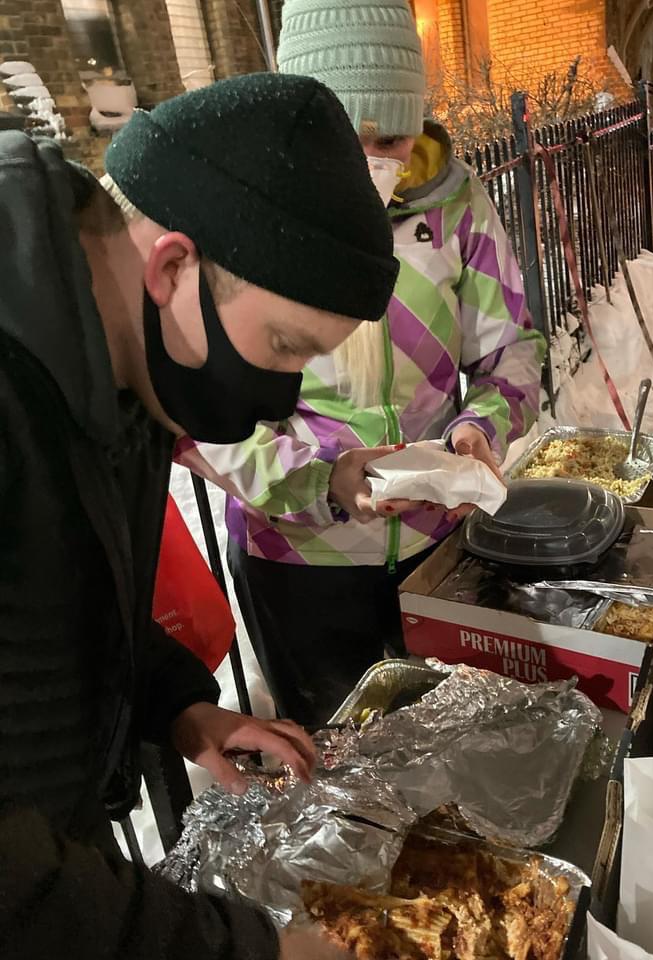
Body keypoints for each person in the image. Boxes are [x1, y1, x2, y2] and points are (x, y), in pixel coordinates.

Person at [0, 73, 398, 959]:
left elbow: (57, 612)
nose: (280, 397)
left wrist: (177, 702)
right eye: (284, 346)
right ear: (173, 267)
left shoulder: (128, 372)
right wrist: (250, 952)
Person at [178, 0, 546, 730]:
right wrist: (322, 484)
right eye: (349, 138)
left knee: (454, 749)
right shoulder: (241, 221)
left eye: (394, 138)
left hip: (434, 550)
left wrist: (479, 431)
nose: (374, 162)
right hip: (295, 560)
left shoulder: (455, 205)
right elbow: (199, 411)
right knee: (334, 758)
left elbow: (512, 350)